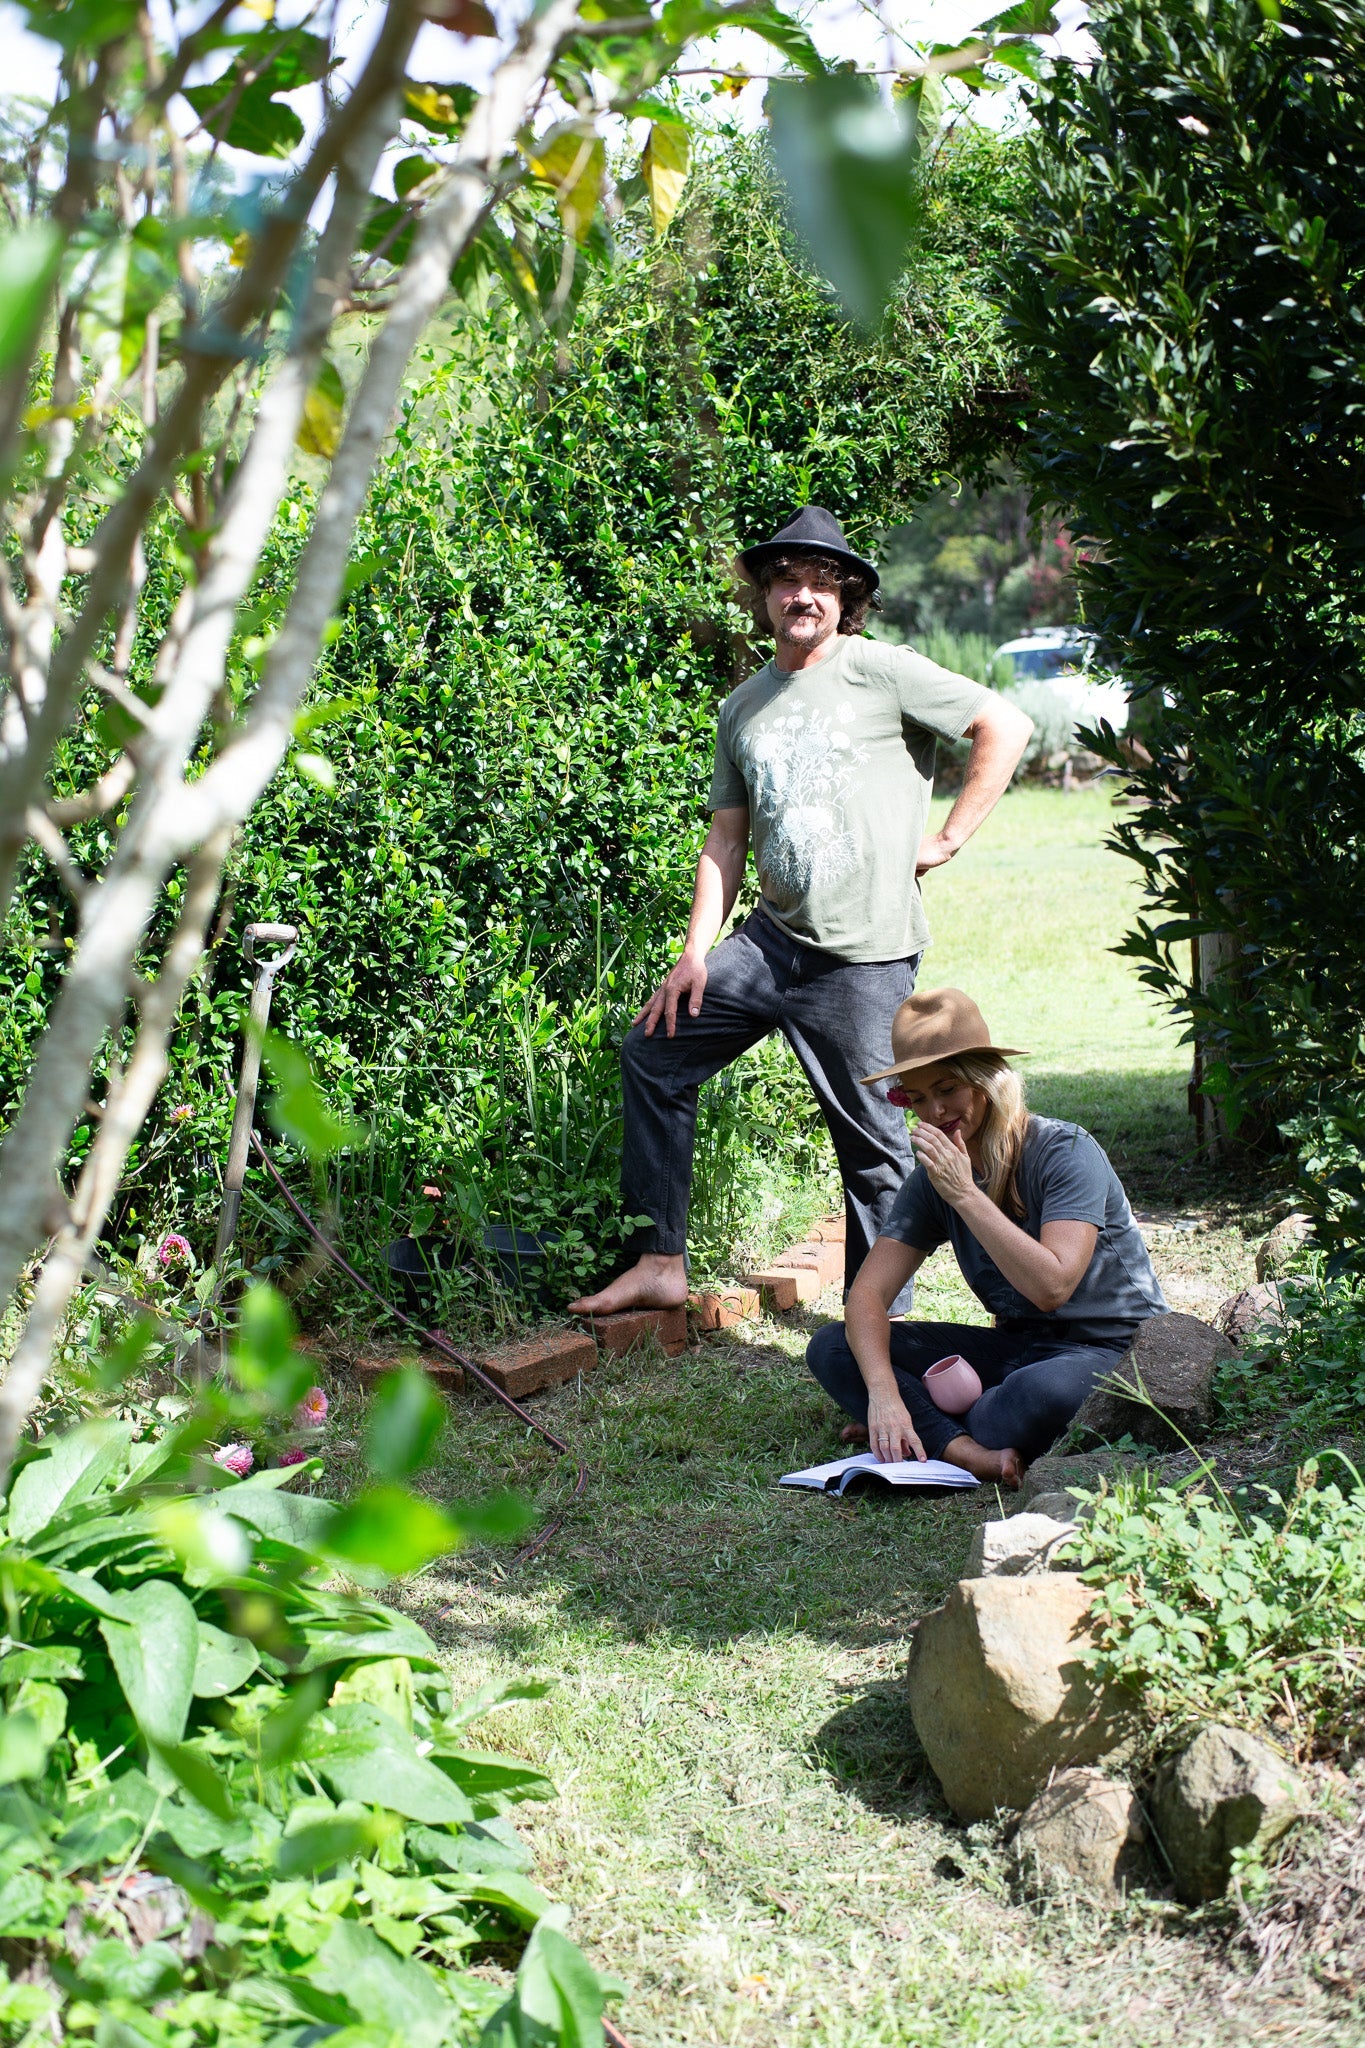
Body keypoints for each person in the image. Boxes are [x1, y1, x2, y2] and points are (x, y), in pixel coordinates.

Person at [570, 507, 1032, 1319]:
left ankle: (875, 1326)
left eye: (822, 582)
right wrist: (694, 955)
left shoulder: (880, 670)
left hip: (864, 960)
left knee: (877, 1150)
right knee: (653, 1051)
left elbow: (1002, 721)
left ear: (844, 597)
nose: (803, 594)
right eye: (787, 579)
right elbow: (726, 836)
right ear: (766, 594)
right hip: (770, 943)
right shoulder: (743, 706)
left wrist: (951, 836)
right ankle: (659, 1261)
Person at [806, 986, 1168, 1486]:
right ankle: (965, 1449)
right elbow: (869, 1295)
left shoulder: (1064, 1151)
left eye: (948, 1089)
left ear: (986, 1079)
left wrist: (966, 1196)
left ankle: (937, 1429)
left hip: (1109, 1348)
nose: (934, 1111)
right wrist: (886, 1395)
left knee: (1035, 1397)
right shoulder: (936, 1178)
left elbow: (1052, 1287)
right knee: (832, 1347)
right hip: (1017, 1349)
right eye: (915, 1099)